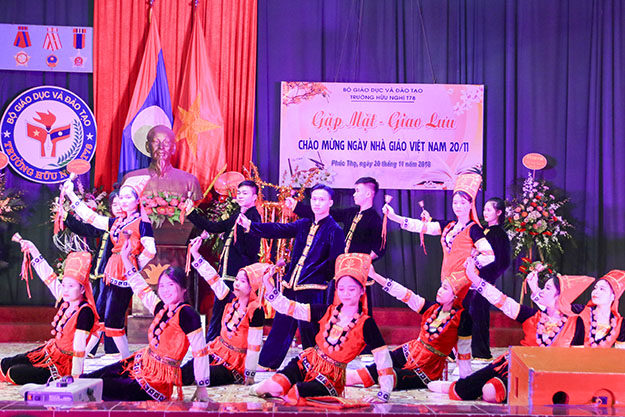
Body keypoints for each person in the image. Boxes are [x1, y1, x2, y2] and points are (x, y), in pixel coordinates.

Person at [430, 261, 592, 403]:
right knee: (479, 390)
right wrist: (476, 280)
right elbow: (503, 301)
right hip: (517, 368)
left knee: (490, 392)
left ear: (560, 296)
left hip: (549, 377)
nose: (542, 291)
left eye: (548, 288)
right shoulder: (533, 317)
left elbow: (576, 359)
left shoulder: (575, 324)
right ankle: (458, 387)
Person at [383, 173, 495, 375]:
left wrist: (472, 264)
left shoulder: (474, 229)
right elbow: (422, 227)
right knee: (446, 321)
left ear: (470, 205)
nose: (458, 206)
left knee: (460, 323)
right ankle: (444, 361)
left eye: (462, 203)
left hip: (463, 284)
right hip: (446, 282)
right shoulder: (449, 226)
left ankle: (463, 368)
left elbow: (489, 255)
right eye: (455, 202)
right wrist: (394, 217)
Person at [251, 253, 394, 404]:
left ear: (362, 291)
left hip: (331, 378)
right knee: (270, 387)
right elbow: (292, 308)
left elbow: (382, 358)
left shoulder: (366, 324)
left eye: (351, 289)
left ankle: (290, 392)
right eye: (341, 289)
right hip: (308, 362)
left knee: (296, 393)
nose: (346, 294)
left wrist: (384, 393)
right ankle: (271, 389)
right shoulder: (327, 311)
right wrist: (268, 284)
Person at [81, 237, 209, 401]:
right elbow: (140, 288)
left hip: (157, 381)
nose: (165, 290)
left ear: (183, 288)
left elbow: (200, 352)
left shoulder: (188, 314)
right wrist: (125, 259)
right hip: (140, 362)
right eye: (162, 286)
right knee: (92, 378)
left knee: (102, 387)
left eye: (171, 285)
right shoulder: (162, 308)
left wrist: (201, 387)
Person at [237, 183, 344, 370]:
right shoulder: (304, 224)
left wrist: (320, 278)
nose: (317, 203)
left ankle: (315, 365)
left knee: (309, 329)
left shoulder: (335, 230)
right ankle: (267, 363)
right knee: (282, 324)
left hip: (313, 288)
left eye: (321, 199)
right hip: (292, 284)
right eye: (314, 199)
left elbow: (335, 261)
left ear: (330, 203)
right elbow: (279, 229)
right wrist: (252, 226)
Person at [62, 176, 156, 359]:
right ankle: (84, 354)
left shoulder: (142, 223)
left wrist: (134, 267)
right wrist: (71, 195)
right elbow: (91, 218)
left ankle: (126, 359)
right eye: (121, 197)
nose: (123, 201)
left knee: (114, 320)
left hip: (125, 273)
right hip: (110, 271)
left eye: (128, 197)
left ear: (138, 200)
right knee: (100, 316)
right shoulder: (118, 221)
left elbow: (151, 250)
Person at [346, 267, 471, 391]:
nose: (439, 291)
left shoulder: (462, 318)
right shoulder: (432, 309)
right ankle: (343, 378)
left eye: (445, 288)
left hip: (427, 368)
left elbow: (464, 352)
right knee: (377, 367)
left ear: (455, 295)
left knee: (388, 378)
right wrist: (375, 276)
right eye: (441, 286)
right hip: (409, 352)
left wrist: (465, 386)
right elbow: (404, 294)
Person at [1, 240, 96, 384]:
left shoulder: (85, 312)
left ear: (82, 289)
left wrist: (75, 378)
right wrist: (33, 250)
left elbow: (79, 347)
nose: (65, 289)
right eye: (64, 285)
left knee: (14, 373)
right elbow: (48, 276)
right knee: (5, 363)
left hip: (63, 366)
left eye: (71, 286)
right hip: (50, 352)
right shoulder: (66, 299)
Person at [287, 177, 385, 314]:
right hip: (342, 268)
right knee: (336, 305)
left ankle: (360, 327)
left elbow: (379, 248)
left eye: (357, 191)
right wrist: (297, 207)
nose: (354, 194)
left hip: (358, 271)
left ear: (368, 194)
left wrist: (362, 263)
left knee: (358, 307)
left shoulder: (375, 219)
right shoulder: (351, 213)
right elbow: (327, 212)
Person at [180, 236, 267, 387]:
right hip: (217, 350)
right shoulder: (229, 299)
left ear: (253, 286)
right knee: (187, 370)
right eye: (237, 280)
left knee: (205, 375)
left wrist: (250, 374)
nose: (237, 284)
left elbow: (254, 345)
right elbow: (212, 278)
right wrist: (195, 253)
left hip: (234, 364)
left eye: (243, 281)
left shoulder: (256, 311)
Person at [186, 180, 261, 342]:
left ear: (254, 197)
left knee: (228, 312)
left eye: (245, 193)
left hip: (238, 275)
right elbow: (214, 227)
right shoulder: (237, 215)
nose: (240, 196)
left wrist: (245, 275)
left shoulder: (253, 218)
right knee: (219, 310)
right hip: (226, 273)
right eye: (239, 193)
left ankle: (219, 343)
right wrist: (191, 213)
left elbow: (252, 249)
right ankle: (213, 343)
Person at [63, 190, 120, 357]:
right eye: (114, 204)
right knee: (95, 310)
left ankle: (111, 349)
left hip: (114, 275)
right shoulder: (106, 224)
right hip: (98, 274)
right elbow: (86, 229)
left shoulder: (127, 225)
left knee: (109, 311)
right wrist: (67, 217)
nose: (117, 207)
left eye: (120, 203)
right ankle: (91, 348)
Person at [467, 197, 510, 359]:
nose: (485, 212)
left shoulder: (499, 234)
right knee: (472, 313)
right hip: (474, 277)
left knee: (480, 314)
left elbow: (503, 261)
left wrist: (488, 277)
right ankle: (471, 351)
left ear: (498, 212)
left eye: (489, 210)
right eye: (484, 209)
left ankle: (481, 352)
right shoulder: (484, 230)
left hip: (484, 280)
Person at [121, 125, 202, 200]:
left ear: (173, 148)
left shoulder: (190, 181)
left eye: (166, 143)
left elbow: (196, 209)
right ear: (147, 147)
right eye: (156, 142)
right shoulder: (131, 179)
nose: (161, 147)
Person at [579, 270, 625, 348]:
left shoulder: (620, 324)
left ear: (613, 296)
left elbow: (620, 353)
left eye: (602, 289)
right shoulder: (581, 312)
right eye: (595, 288)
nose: (596, 292)